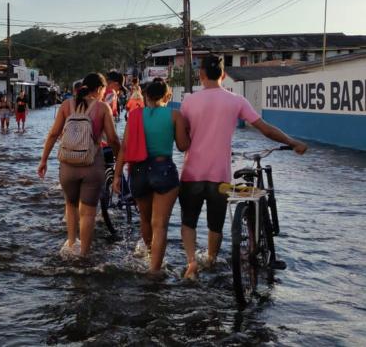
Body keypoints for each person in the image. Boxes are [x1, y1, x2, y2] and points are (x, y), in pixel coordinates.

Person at [179, 55, 308, 279]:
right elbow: (265, 129)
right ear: (224, 75)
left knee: (188, 222)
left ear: (200, 74)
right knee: (215, 225)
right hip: (219, 176)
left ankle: (191, 263)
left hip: (192, 173)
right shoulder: (236, 101)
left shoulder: (188, 101)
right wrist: (293, 142)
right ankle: (210, 260)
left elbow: (182, 138)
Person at [38, 73, 121, 257]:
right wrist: (119, 162)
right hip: (92, 164)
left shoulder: (67, 105)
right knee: (89, 213)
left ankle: (71, 244)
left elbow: (53, 134)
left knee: (71, 205)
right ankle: (84, 255)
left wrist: (43, 160)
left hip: (67, 165)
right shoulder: (102, 107)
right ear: (99, 89)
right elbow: (113, 139)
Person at [114, 79, 190, 276]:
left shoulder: (135, 115)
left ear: (145, 96)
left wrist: (116, 176)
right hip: (164, 169)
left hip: (138, 171)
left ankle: (149, 254)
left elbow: (124, 148)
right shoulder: (175, 115)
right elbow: (183, 146)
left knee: (145, 220)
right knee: (160, 224)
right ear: (167, 96)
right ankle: (154, 270)